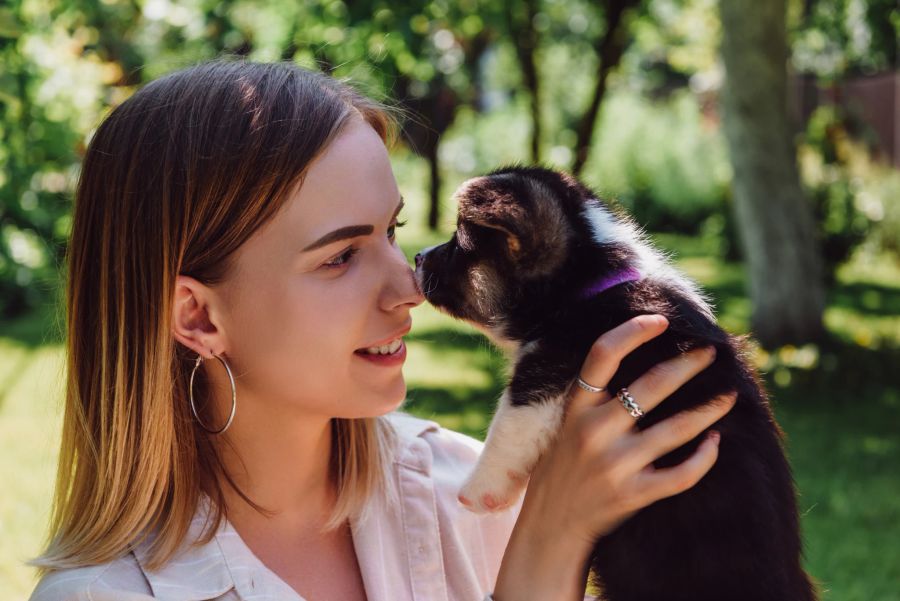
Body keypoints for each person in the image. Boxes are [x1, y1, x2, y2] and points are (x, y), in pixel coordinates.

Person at [28, 58, 736, 601]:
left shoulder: (476, 494)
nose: (409, 289)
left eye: (391, 232)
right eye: (340, 256)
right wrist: (547, 547)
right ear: (198, 316)